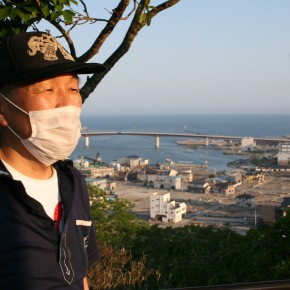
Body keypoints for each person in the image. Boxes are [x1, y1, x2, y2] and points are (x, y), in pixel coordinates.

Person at [0, 31, 106, 290]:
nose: (67, 103)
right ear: (2, 109)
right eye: (47, 88)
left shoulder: (73, 182)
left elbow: (79, 277)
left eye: (72, 88)